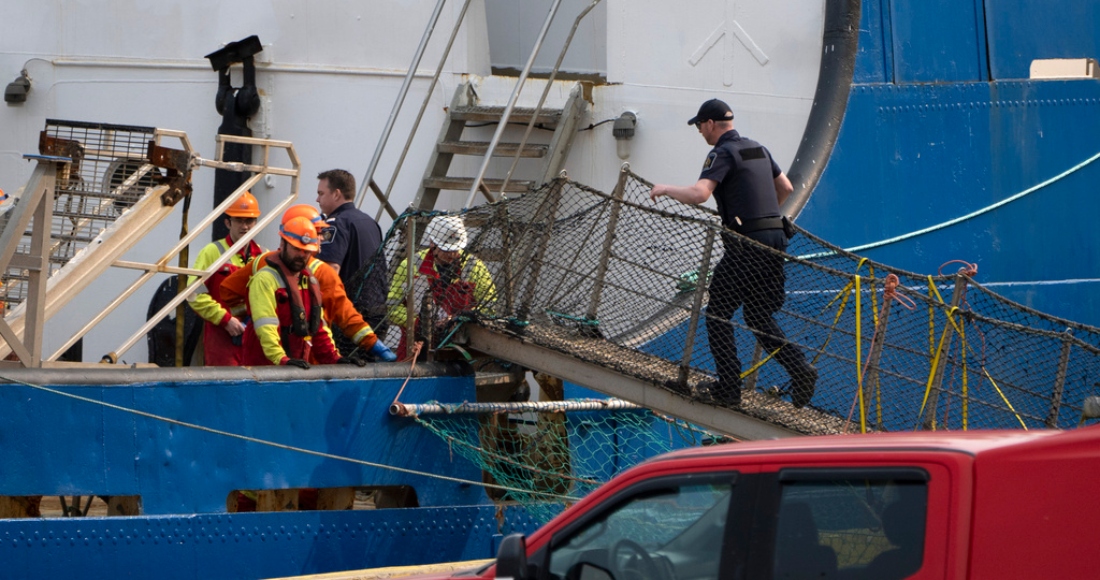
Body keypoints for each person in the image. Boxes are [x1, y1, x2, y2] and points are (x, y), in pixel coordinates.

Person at [650, 98, 817, 408]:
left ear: (711, 124)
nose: (700, 131)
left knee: (718, 313)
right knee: (757, 314)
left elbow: (701, 194)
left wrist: (666, 188)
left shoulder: (722, 152)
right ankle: (801, 369)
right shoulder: (758, 148)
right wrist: (762, 216)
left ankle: (729, 388)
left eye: (700, 125)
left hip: (747, 246)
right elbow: (786, 188)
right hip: (776, 239)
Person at [220, 205, 396, 363]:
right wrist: (372, 343)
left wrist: (248, 316)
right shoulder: (319, 273)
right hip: (291, 358)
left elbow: (228, 291)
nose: (320, 238)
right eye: (318, 232)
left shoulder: (265, 262)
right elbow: (345, 314)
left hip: (293, 355)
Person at [387, 215, 496, 359]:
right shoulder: (410, 266)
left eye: (456, 249)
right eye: (447, 249)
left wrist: (459, 319)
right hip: (415, 349)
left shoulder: (475, 267)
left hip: (459, 351)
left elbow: (489, 307)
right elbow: (392, 307)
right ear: (433, 243)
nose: (453, 254)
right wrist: (419, 322)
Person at [241, 215, 341, 368]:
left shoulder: (309, 281)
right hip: (264, 370)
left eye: (306, 251)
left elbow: (318, 328)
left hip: (296, 366)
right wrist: (281, 360)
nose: (301, 255)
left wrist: (335, 359)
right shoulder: (265, 280)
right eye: (296, 249)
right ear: (283, 244)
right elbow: (266, 328)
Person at [187, 191, 265, 366]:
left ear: (256, 223)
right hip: (221, 339)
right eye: (239, 220)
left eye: (249, 221)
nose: (245, 227)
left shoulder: (264, 256)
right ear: (227, 222)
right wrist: (225, 320)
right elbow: (193, 293)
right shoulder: (212, 252)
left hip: (255, 340)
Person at [314, 169, 388, 331]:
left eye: (321, 193)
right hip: (377, 313)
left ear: (336, 194)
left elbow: (329, 270)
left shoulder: (335, 224)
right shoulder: (369, 222)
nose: (317, 199)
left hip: (351, 316)